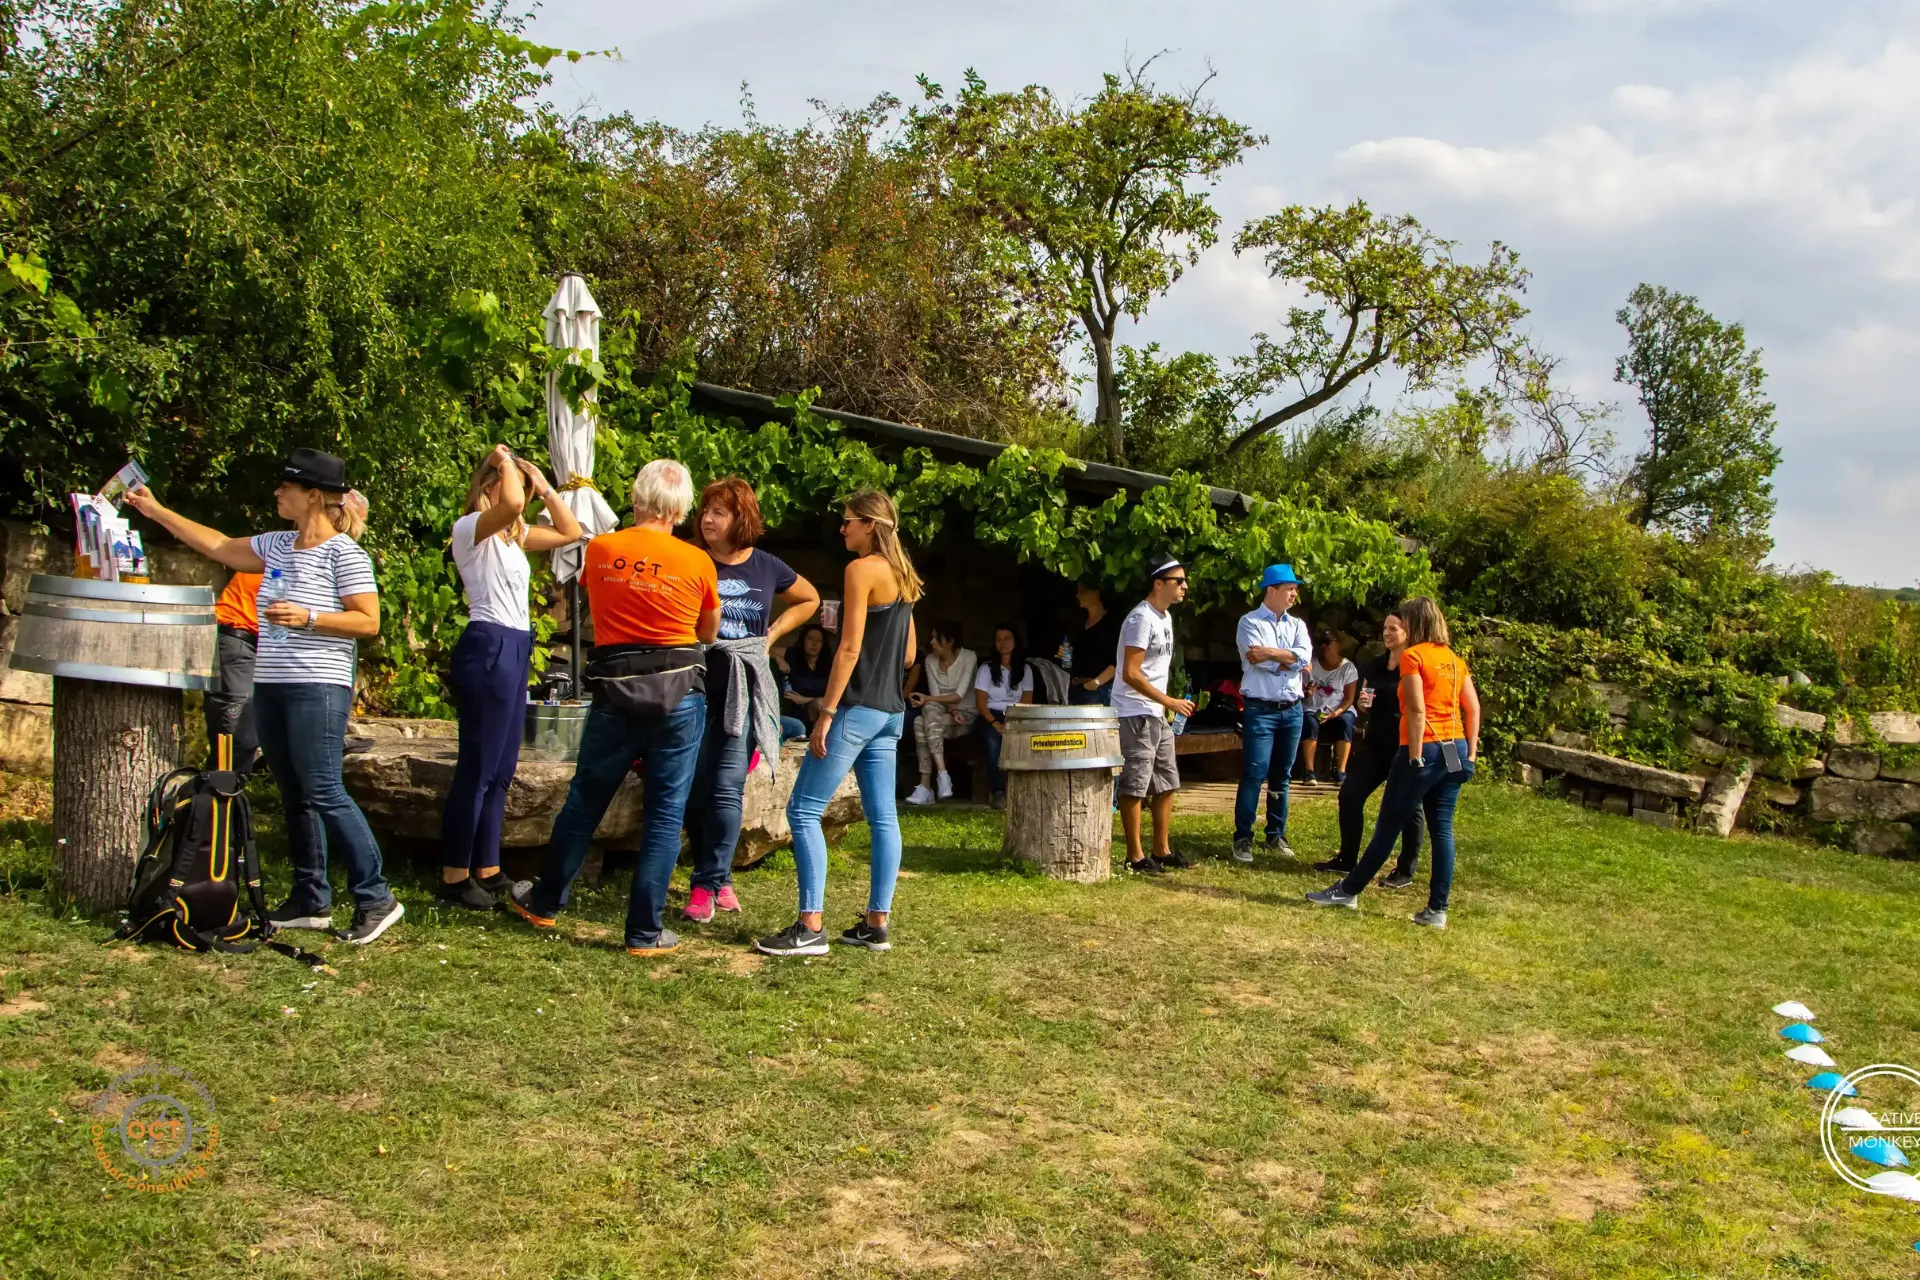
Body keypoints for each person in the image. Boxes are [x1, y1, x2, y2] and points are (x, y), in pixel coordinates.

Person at [125, 449, 403, 945]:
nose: (277, 493)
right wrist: (155, 510)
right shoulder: (276, 544)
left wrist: (310, 618)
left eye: (286, 487)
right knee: (294, 795)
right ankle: (310, 900)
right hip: (271, 684)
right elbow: (216, 544)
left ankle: (376, 896)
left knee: (323, 790)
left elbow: (369, 620)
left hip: (318, 686)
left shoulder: (345, 554)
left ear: (313, 495)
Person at [505, 459, 721, 956]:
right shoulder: (698, 561)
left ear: (637, 497)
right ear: (683, 507)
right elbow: (707, 633)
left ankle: (544, 902)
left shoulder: (602, 549)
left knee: (584, 801)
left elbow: (589, 595)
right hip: (679, 695)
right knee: (666, 814)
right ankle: (644, 932)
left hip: (614, 693)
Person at [757, 487, 919, 958]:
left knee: (803, 811)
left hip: (856, 709)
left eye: (848, 520)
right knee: (883, 817)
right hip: (891, 713)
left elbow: (848, 650)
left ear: (870, 524)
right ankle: (876, 924)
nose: (842, 527)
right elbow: (909, 654)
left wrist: (826, 712)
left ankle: (810, 927)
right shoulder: (905, 575)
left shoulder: (859, 570)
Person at [437, 444, 583, 911]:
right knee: (477, 767)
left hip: (516, 645)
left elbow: (570, 531)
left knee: (501, 770)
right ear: (489, 486)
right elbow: (514, 505)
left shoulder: (511, 538)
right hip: (489, 642)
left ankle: (488, 865)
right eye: (509, 479)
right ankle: (454, 873)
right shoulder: (470, 530)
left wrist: (542, 482)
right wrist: (502, 460)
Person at [683, 477, 819, 924]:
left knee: (725, 787)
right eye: (705, 510)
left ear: (741, 517)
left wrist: (772, 636)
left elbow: (809, 599)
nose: (707, 519)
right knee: (692, 789)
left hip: (742, 689)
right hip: (692, 685)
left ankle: (706, 884)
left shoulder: (766, 565)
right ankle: (717, 877)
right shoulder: (690, 559)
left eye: (718, 512)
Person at [1309, 596, 1480, 928]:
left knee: (1387, 826)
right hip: (1454, 749)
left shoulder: (1415, 656)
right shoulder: (1455, 660)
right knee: (1442, 828)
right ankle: (1437, 910)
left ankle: (1348, 891)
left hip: (1425, 749)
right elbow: (1472, 709)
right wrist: (1470, 756)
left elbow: (1416, 711)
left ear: (1415, 623)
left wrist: (1414, 756)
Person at [1314, 610, 1424, 886]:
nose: (1387, 633)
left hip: (1404, 746)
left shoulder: (1414, 666)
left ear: (1408, 633)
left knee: (1409, 807)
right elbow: (1364, 701)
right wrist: (1363, 706)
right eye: (1385, 628)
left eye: (1394, 629)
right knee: (1349, 795)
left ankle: (1405, 870)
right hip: (1376, 745)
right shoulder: (1375, 665)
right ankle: (1347, 858)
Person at [1114, 558, 1194, 875]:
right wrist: (1169, 701)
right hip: (1134, 712)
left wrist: (1165, 706)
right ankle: (1134, 856)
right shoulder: (1140, 619)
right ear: (1158, 584)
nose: (1185, 586)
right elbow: (1132, 674)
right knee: (1135, 785)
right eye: (1179, 581)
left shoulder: (1165, 617)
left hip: (1156, 713)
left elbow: (1155, 671)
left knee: (1166, 782)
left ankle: (1161, 850)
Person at [1231, 563, 1312, 864]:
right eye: (1289, 588)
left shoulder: (1297, 625)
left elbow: (1305, 657)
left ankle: (1276, 834)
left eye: (1295, 589)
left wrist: (1273, 654)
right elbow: (1257, 660)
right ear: (1271, 590)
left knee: (1283, 775)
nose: (1294, 594)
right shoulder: (1248, 622)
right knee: (1254, 773)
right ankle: (1242, 838)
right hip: (1261, 709)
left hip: (1292, 710)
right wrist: (1288, 659)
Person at [905, 619, 977, 805]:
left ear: (951, 641)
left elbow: (959, 695)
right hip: (943, 713)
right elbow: (937, 697)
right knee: (924, 715)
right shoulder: (930, 661)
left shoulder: (969, 657)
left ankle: (926, 786)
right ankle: (942, 774)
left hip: (966, 716)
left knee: (920, 720)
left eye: (937, 638)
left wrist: (929, 699)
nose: (932, 642)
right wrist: (948, 709)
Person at [206, 568, 262, 776]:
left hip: (249, 644)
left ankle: (227, 800)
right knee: (236, 738)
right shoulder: (284, 555)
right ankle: (213, 803)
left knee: (243, 738)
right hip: (237, 640)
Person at [973, 623, 1034, 810]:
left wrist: (1012, 722)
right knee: (993, 741)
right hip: (989, 716)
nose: (1002, 643)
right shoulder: (986, 668)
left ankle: (1026, 790)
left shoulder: (1025, 669)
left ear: (1015, 641)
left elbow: (1027, 702)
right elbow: (980, 703)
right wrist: (995, 723)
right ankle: (998, 792)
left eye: (1007, 638)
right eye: (998, 639)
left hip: (1016, 716)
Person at [1301, 630, 1359, 783]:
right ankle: (1309, 771)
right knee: (1309, 721)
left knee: (1345, 722)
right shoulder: (1311, 665)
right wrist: (1308, 692)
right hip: (1314, 708)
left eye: (1329, 642)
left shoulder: (1348, 667)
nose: (1325, 646)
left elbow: (1349, 699)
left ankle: (1341, 771)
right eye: (1323, 642)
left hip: (1339, 709)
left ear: (1338, 645)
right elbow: (1301, 694)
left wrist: (1337, 713)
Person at [1063, 585, 1120, 705]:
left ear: (1097, 592)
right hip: (1076, 689)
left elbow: (1118, 659)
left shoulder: (1112, 623)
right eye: (1077, 591)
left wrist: (1096, 683)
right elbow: (1073, 659)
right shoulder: (1079, 623)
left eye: (1083, 590)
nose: (1078, 595)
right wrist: (1067, 655)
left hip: (1100, 690)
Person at [778, 624, 834, 727]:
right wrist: (779, 659)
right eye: (810, 638)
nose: (814, 643)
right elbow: (767, 649)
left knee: (821, 704)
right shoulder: (793, 655)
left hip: (822, 710)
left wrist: (804, 699)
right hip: (797, 711)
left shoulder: (829, 665)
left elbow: (835, 698)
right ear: (803, 640)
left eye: (819, 640)